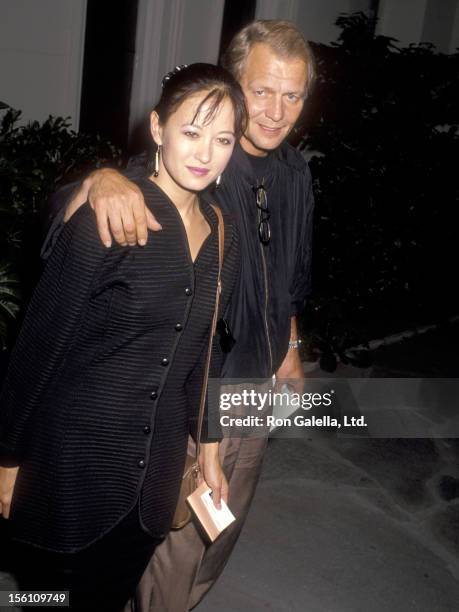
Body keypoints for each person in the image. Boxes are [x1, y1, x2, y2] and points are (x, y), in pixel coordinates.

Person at [42, 19, 315, 612]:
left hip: (259, 385)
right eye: (262, 91)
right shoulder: (202, 163)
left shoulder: (294, 172)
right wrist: (97, 178)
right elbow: (112, 196)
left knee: (220, 531)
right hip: (197, 387)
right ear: (233, 86)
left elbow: (292, 277)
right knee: (169, 546)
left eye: (292, 95)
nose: (275, 111)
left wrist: (291, 350)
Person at [0, 63, 246, 611]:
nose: (205, 152)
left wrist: (208, 448)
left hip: (152, 486)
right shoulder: (110, 214)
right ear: (157, 128)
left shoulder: (220, 231)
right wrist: (6, 460)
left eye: (223, 138)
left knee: (106, 598)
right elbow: (36, 349)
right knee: (50, 598)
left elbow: (202, 356)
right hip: (71, 468)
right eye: (191, 131)